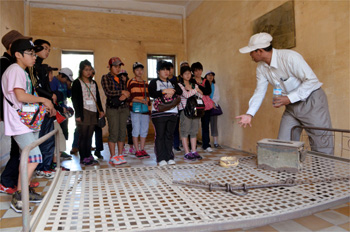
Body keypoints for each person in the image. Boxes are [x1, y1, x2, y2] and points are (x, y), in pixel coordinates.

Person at [236, 32, 333, 154]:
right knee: (283, 144)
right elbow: (259, 91)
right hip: (291, 108)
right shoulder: (261, 68)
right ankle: (286, 173)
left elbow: (312, 81)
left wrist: (289, 98)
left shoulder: (290, 57)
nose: (250, 55)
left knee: (321, 146)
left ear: (259, 51)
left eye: (251, 52)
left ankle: (323, 173)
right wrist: (250, 114)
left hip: (312, 102)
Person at [2, 38, 54, 212]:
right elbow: (20, 97)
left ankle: (24, 190)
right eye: (30, 54)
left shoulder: (22, 71)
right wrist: (44, 99)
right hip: (19, 123)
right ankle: (19, 195)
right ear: (18, 55)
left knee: (30, 157)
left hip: (24, 122)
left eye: (34, 53)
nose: (33, 57)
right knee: (33, 157)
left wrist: (40, 106)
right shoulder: (15, 70)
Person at [0, 30, 35, 194]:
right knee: (26, 154)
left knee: (24, 154)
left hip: (20, 116)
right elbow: (16, 95)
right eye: (29, 51)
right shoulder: (10, 67)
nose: (32, 55)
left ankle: (22, 185)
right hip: (15, 117)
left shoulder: (18, 67)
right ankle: (14, 187)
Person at [31, 39, 58, 179]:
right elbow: (36, 88)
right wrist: (49, 96)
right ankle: (42, 167)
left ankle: (45, 167)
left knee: (47, 138)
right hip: (39, 107)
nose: (47, 51)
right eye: (45, 48)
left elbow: (43, 87)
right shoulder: (33, 67)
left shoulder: (41, 67)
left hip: (46, 106)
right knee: (43, 138)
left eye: (49, 49)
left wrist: (51, 98)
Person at [148, 60, 182, 166]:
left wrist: (173, 91)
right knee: (160, 136)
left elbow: (180, 91)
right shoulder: (154, 82)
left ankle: (169, 157)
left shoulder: (172, 82)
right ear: (158, 71)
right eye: (163, 69)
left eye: (168, 69)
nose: (166, 72)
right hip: (159, 113)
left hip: (172, 112)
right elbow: (152, 93)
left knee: (169, 135)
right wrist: (164, 91)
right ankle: (161, 158)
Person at [72, 60, 104, 165]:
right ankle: (83, 157)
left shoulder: (93, 83)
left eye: (90, 69)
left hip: (93, 111)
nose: (88, 72)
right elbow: (75, 100)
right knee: (83, 135)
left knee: (90, 135)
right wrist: (77, 115)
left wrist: (101, 110)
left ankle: (89, 155)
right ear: (81, 70)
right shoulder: (77, 83)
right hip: (83, 111)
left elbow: (97, 98)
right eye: (86, 70)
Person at [101, 57, 130, 165]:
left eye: (119, 66)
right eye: (115, 66)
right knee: (114, 131)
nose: (118, 69)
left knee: (122, 132)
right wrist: (122, 92)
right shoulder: (105, 77)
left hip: (123, 108)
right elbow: (108, 92)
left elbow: (127, 93)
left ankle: (120, 154)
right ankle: (113, 156)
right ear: (110, 67)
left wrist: (125, 95)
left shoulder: (122, 79)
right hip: (112, 108)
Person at [178, 66, 203, 161]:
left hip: (195, 111)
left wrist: (194, 90)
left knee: (194, 131)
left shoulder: (193, 84)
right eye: (185, 73)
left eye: (189, 73)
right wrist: (195, 90)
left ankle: (194, 151)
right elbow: (186, 95)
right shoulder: (180, 85)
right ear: (181, 75)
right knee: (185, 131)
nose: (188, 75)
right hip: (185, 111)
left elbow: (201, 95)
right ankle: (187, 152)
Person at [127, 62, 151, 159]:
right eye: (137, 70)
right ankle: (137, 150)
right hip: (135, 109)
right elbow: (129, 97)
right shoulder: (131, 82)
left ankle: (142, 149)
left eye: (141, 69)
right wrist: (140, 100)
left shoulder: (145, 83)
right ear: (133, 71)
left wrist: (149, 111)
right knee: (136, 129)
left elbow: (148, 97)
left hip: (145, 110)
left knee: (144, 130)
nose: (139, 71)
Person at [190, 62, 212, 152]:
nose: (198, 72)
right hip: (195, 105)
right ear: (193, 72)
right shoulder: (191, 80)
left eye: (199, 70)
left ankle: (206, 145)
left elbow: (208, 91)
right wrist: (200, 89)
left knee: (205, 125)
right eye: (195, 71)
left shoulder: (205, 81)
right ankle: (191, 145)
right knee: (193, 126)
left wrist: (198, 88)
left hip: (205, 106)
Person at [205, 70, 222, 148]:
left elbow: (217, 96)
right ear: (205, 76)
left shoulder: (216, 86)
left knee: (214, 125)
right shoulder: (203, 85)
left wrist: (213, 102)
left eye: (212, 75)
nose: (210, 76)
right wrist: (209, 102)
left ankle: (215, 142)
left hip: (213, 107)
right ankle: (206, 143)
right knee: (205, 125)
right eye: (208, 75)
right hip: (205, 107)